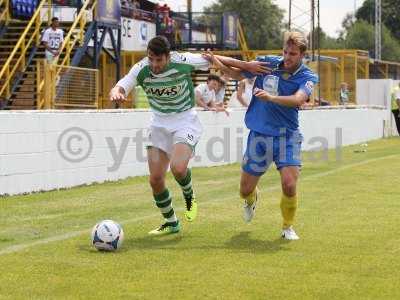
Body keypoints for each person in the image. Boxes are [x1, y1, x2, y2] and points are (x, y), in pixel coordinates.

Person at [109, 36, 266, 235]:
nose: (155, 65)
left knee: (178, 168)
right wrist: (116, 91)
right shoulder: (142, 69)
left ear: (168, 57)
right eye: (151, 59)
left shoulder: (182, 61)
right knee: (155, 179)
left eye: (159, 60)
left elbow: (214, 58)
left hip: (185, 121)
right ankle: (171, 221)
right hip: (158, 123)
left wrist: (246, 65)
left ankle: (189, 195)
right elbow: (124, 83)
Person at [208, 31, 319, 240]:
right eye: (285, 51)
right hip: (259, 135)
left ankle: (287, 227)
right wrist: (214, 60)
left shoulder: (308, 76)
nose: (287, 57)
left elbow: (298, 99)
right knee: (244, 190)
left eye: (293, 54)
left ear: (303, 54)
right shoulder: (268, 64)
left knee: (289, 183)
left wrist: (271, 97)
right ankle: (251, 199)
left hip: (287, 136)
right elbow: (237, 74)